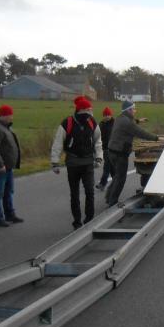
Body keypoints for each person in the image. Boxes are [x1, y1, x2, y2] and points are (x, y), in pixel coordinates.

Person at [52, 96, 104, 228]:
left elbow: (98, 141)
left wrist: (99, 157)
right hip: (73, 163)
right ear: (81, 110)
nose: (90, 113)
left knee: (89, 192)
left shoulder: (92, 122)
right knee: (74, 194)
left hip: (88, 163)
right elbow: (58, 143)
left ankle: (89, 219)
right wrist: (55, 162)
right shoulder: (67, 123)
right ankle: (77, 221)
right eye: (88, 110)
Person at [105, 100, 158, 209]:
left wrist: (138, 120)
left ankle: (109, 197)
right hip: (119, 153)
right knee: (121, 178)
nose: (135, 110)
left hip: (112, 151)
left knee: (117, 176)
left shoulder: (120, 118)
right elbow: (139, 132)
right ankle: (113, 203)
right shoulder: (126, 122)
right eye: (134, 109)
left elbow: (131, 124)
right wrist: (156, 138)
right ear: (129, 110)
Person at [0, 105, 23, 227]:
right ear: (3, 116)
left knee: (9, 191)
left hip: (8, 167)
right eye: (9, 115)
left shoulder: (5, 127)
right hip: (0, 168)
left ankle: (10, 214)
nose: (11, 117)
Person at [96, 107, 116, 191]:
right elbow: (97, 137)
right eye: (105, 115)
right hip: (104, 149)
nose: (106, 116)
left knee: (107, 167)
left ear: (111, 115)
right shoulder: (101, 124)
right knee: (112, 168)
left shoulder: (115, 123)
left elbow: (127, 125)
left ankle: (102, 184)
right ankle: (115, 182)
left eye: (108, 115)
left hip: (112, 149)